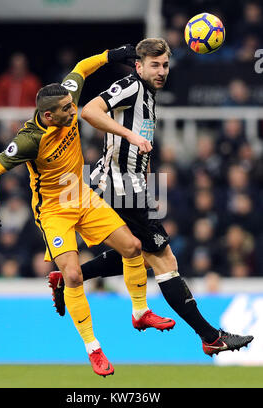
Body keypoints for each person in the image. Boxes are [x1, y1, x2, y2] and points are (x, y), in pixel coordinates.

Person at [49, 38, 254, 357]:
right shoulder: (130, 85)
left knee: (138, 254)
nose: (161, 71)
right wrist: (128, 135)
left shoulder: (149, 95)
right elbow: (90, 110)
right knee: (164, 260)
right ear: (139, 66)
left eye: (165, 65)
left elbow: (134, 146)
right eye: (154, 65)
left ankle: (69, 276)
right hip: (119, 187)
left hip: (131, 186)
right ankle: (210, 336)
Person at [0, 45, 175, 378]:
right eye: (66, 111)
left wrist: (111, 55)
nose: (74, 112)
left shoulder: (65, 97)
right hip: (54, 211)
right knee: (73, 275)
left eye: (73, 106)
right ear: (48, 117)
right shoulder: (30, 140)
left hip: (81, 195)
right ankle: (93, 349)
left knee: (133, 247)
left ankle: (140, 311)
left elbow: (81, 68)